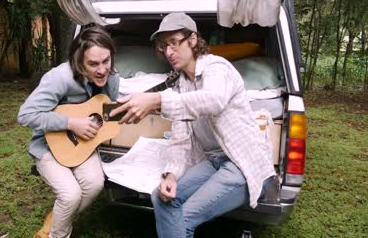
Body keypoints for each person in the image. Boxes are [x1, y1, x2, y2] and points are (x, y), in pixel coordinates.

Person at [109, 12, 275, 238]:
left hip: (243, 165)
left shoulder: (217, 68)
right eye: (164, 46)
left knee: (182, 220)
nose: (168, 52)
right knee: (161, 197)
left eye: (174, 43)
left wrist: (157, 100)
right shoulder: (182, 84)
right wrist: (171, 176)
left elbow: (212, 100)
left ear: (193, 40)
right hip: (215, 162)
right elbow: (180, 140)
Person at [17, 24, 119, 238]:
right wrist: (71, 123)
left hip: (82, 147)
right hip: (47, 146)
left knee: (93, 185)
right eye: (93, 64)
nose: (102, 70)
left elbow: (107, 114)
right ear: (79, 62)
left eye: (106, 61)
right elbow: (25, 115)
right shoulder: (59, 77)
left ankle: (55, 219)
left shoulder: (111, 79)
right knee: (70, 195)